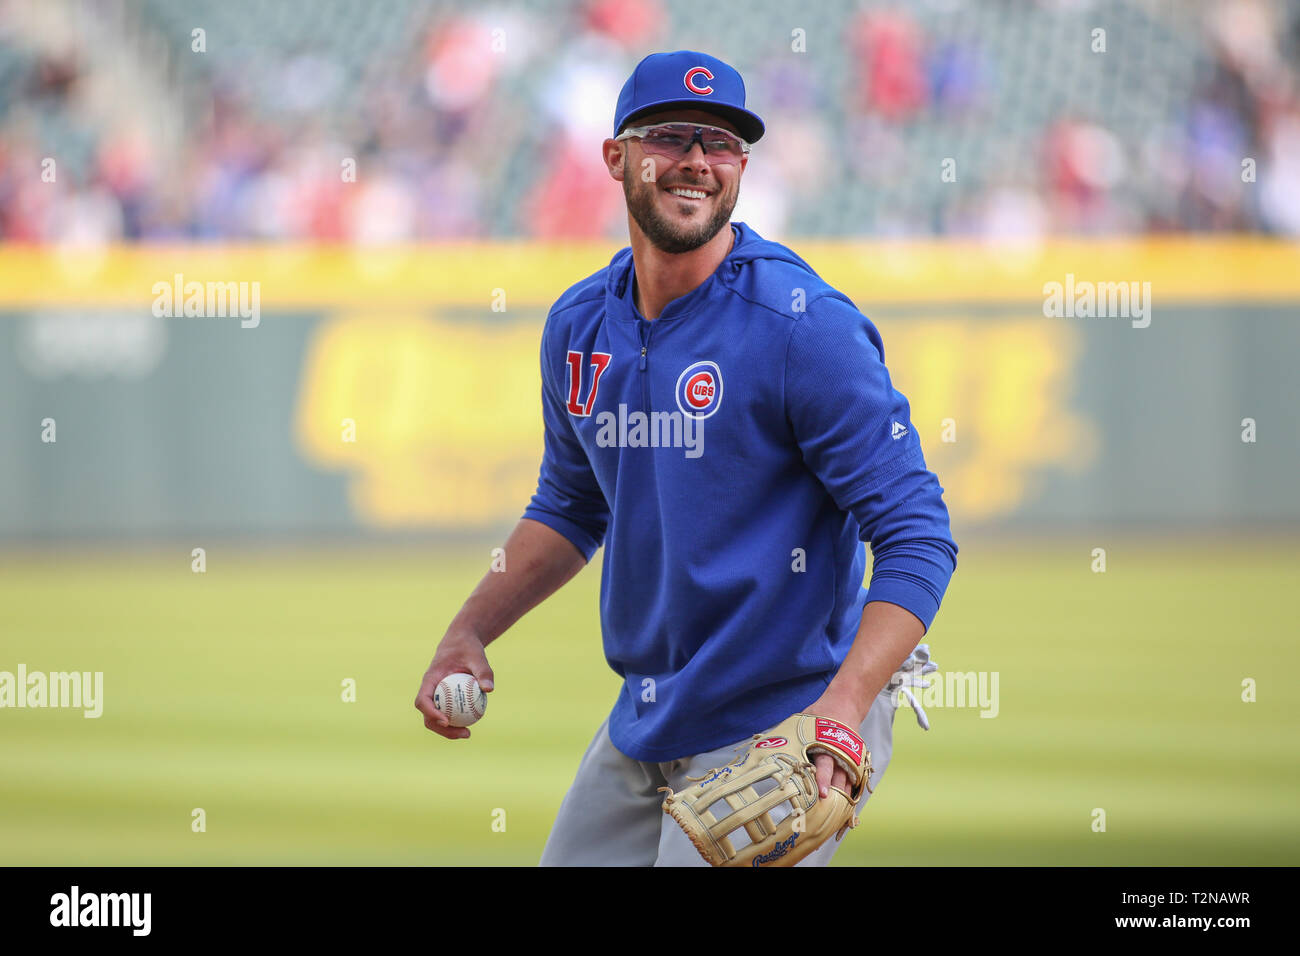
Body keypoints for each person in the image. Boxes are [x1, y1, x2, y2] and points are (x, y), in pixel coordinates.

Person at [414, 50, 957, 866]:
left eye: (723, 143)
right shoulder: (578, 327)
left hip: (785, 721)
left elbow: (917, 533)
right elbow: (569, 507)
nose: (698, 161)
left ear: (742, 165)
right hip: (652, 715)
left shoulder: (801, 327)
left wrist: (844, 709)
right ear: (616, 157)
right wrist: (468, 631)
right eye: (670, 137)